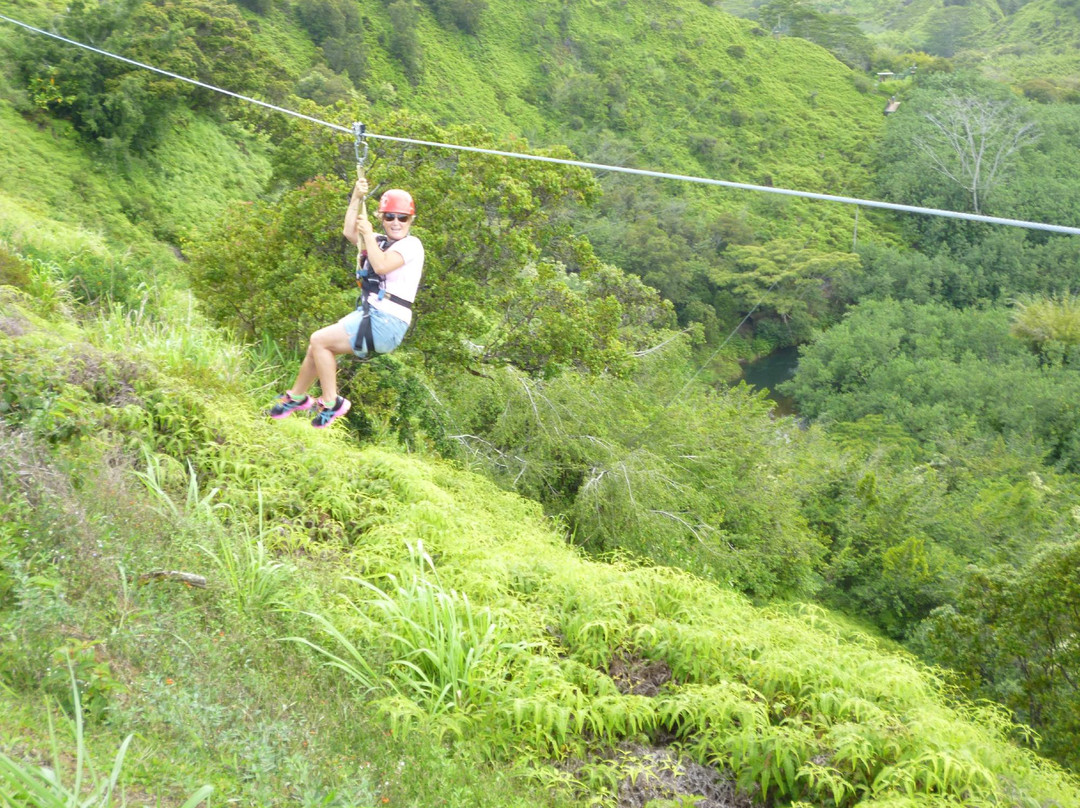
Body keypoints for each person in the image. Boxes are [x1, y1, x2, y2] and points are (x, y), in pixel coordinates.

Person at [268, 176, 424, 428]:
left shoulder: (412, 246)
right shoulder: (381, 241)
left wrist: (368, 235)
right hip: (373, 315)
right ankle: (296, 397)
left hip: (387, 320)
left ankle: (332, 402)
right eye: (390, 217)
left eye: (402, 218)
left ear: (410, 221)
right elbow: (349, 231)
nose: (396, 223)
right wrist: (356, 197)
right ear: (382, 218)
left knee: (320, 341)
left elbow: (382, 264)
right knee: (316, 348)